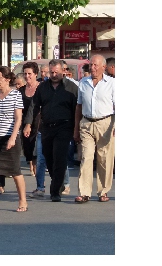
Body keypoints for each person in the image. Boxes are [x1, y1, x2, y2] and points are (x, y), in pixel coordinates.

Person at [30, 60, 77, 202]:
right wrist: (28, 124)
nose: (54, 75)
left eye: (57, 72)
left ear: (63, 71)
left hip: (64, 127)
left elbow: (77, 109)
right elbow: (34, 106)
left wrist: (76, 129)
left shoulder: (71, 88)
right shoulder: (43, 87)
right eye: (52, 72)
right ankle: (59, 182)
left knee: (59, 158)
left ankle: (55, 191)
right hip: (47, 127)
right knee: (49, 157)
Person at [0, 66, 28, 214]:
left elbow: (18, 119)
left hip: (10, 138)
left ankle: (22, 200)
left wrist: (13, 138)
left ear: (7, 79)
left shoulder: (15, 95)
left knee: (15, 171)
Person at [74, 54, 115, 203]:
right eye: (91, 65)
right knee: (86, 157)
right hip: (86, 123)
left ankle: (103, 191)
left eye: (95, 65)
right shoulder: (83, 82)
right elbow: (79, 106)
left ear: (104, 67)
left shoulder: (112, 83)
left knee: (104, 159)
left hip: (105, 123)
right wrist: (76, 128)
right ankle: (84, 192)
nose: (92, 68)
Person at [20, 61, 41, 177]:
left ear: (35, 74)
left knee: (37, 145)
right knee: (27, 145)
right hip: (24, 121)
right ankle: (31, 163)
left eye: (29, 74)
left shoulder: (42, 88)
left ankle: (37, 167)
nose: (27, 76)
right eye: (25, 74)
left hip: (39, 121)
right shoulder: (21, 90)